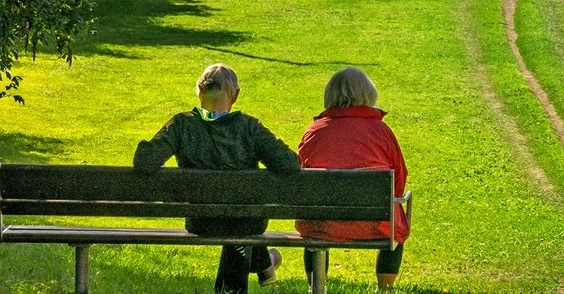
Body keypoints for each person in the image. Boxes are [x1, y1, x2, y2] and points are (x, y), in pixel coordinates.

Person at [134, 63, 300, 293]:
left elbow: (145, 161)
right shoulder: (249, 128)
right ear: (236, 95)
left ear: (199, 93)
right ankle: (264, 266)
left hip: (202, 221)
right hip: (247, 221)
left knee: (237, 224)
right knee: (241, 224)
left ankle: (264, 266)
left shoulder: (182, 125)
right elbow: (289, 164)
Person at [296, 67, 410, 291]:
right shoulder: (381, 132)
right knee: (395, 214)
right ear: (368, 95)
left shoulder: (315, 131)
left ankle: (316, 286)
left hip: (323, 224)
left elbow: (302, 177)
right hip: (374, 224)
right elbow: (399, 177)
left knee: (314, 220)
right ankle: (384, 287)